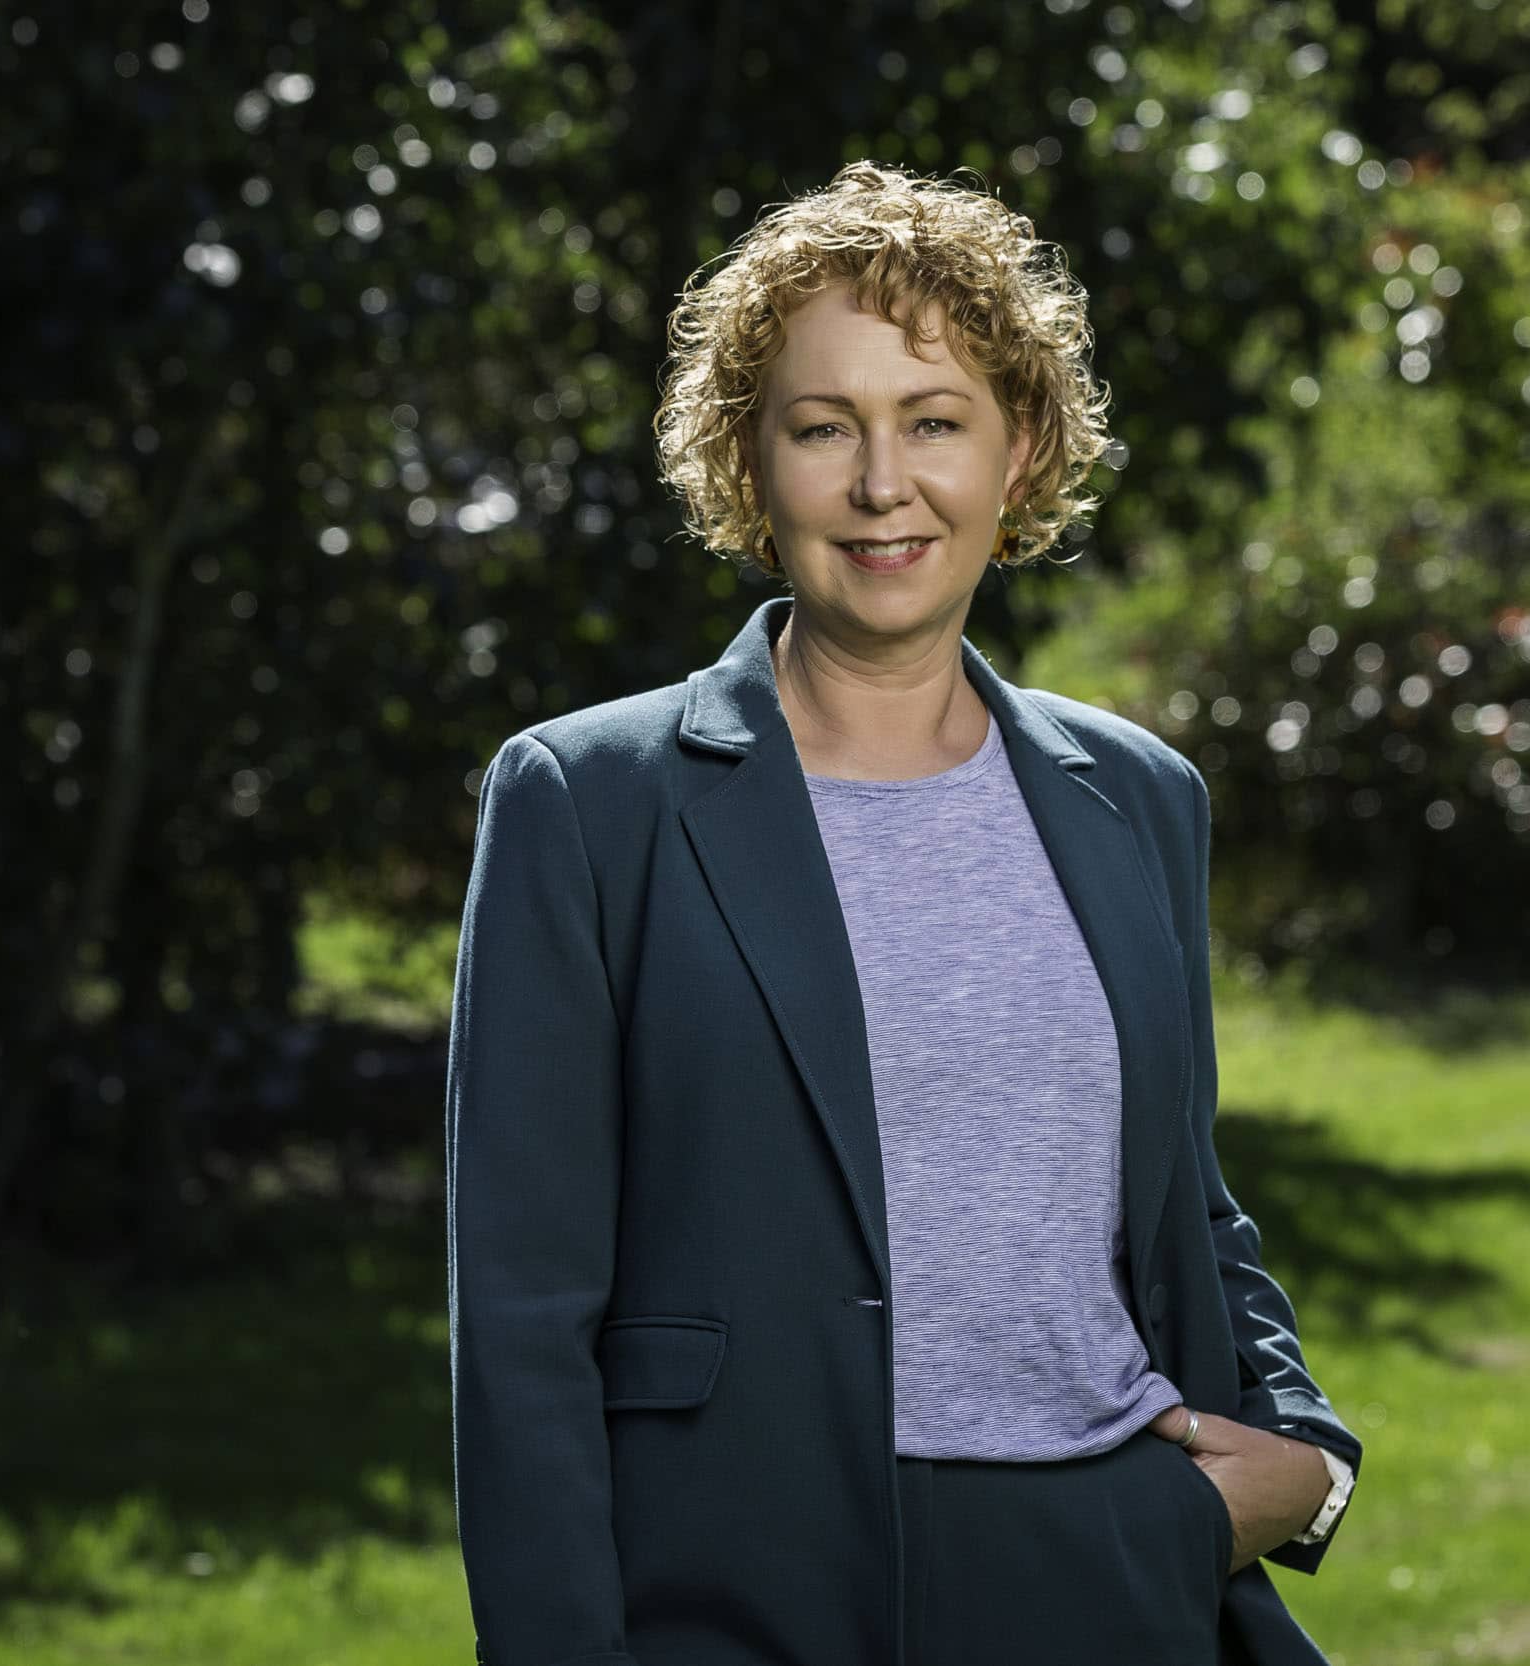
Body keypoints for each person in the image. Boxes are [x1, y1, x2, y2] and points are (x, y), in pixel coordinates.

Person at [446, 160, 1362, 1666]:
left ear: (1021, 456)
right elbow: (524, 1324)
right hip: (748, 1590)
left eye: (935, 420)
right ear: (750, 464)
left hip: (1121, 1569)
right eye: (825, 428)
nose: (885, 485)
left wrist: (1304, 1462)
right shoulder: (587, 801)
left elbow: (1189, 1204)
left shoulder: (1138, 797)